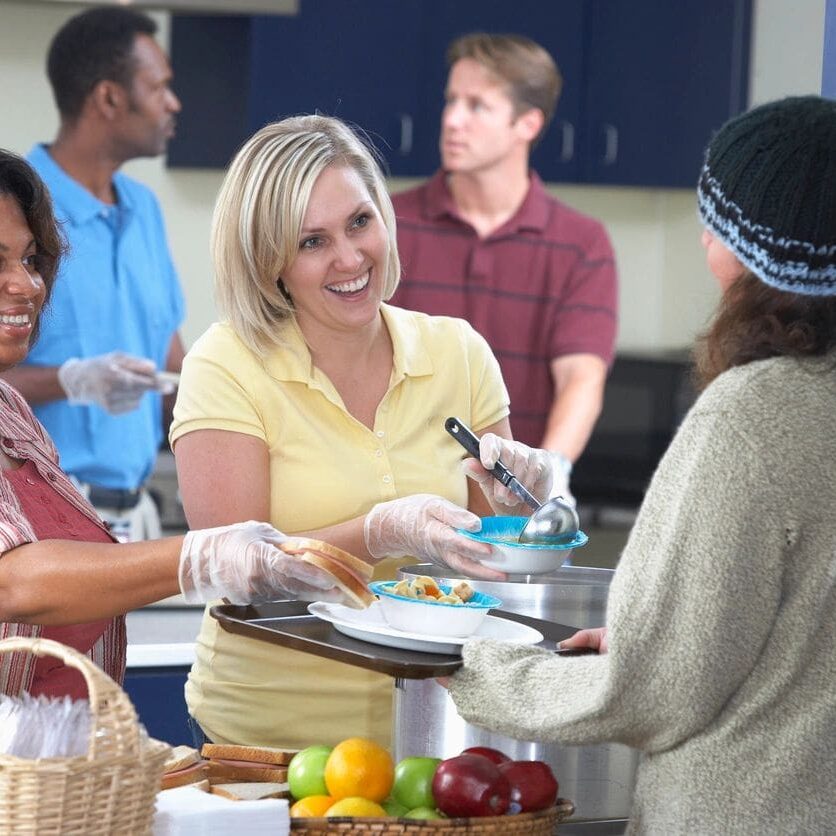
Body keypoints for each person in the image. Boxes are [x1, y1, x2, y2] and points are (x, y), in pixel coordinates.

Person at [443, 96, 836, 833]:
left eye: (714, 219)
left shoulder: (748, 416)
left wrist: (480, 666)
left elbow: (655, 691)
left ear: (754, 249)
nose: (699, 237)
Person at [169, 114, 553, 749]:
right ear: (269, 261)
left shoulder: (458, 352)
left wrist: (519, 510)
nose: (350, 258)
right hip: (269, 740)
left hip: (436, 734)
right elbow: (234, 574)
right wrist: (378, 530)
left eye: (359, 222)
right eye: (311, 241)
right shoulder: (226, 363)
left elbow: (491, 565)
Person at [0, 149, 354, 699]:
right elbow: (13, 581)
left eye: (28, 259)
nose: (27, 284)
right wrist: (201, 555)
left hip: (46, 767)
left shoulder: (12, 412)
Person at [390, 33, 618, 502]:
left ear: (527, 123)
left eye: (477, 106)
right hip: (403, 498)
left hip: (517, 507)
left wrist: (550, 474)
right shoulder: (388, 224)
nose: (452, 119)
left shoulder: (581, 243)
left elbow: (581, 377)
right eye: (451, 100)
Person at [0, 7, 185, 542]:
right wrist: (70, 381)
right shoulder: (19, 211)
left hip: (135, 513)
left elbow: (174, 364)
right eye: (160, 87)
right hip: (35, 515)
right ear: (109, 97)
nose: (173, 104)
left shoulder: (144, 211)